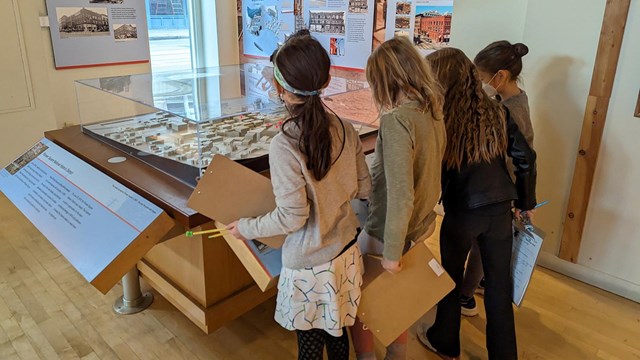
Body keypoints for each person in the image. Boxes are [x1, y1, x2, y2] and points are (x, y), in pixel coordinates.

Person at [226, 35, 371, 360]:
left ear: (280, 88)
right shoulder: (346, 128)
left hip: (310, 263)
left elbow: (292, 216)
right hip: (347, 252)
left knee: (308, 348)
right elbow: (363, 186)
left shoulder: (285, 144)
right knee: (337, 335)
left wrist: (246, 227)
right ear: (327, 81)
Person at [419, 48, 537, 360]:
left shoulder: (441, 117)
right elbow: (526, 157)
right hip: (500, 208)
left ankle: (445, 342)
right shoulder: (498, 110)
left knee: (451, 278)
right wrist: (526, 202)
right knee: (499, 286)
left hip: (462, 212)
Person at [350, 37, 446, 360]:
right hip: (417, 227)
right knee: (398, 298)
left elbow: (401, 193)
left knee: (358, 299)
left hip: (388, 230)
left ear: (386, 81)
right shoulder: (432, 111)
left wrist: (391, 251)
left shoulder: (397, 120)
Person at [459, 41, 534, 317]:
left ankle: (465, 297)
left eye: (480, 77)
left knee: (480, 246)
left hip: (500, 191)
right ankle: (475, 283)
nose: (479, 83)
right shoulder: (514, 99)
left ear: (499, 76)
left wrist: (521, 200)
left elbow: (521, 156)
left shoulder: (510, 111)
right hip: (505, 190)